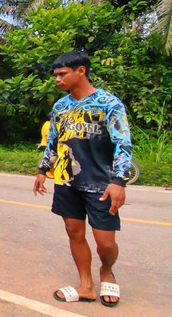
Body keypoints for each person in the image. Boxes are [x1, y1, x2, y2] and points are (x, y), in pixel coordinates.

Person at [33, 51, 131, 308]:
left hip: (101, 183)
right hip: (67, 181)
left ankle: (107, 271)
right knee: (74, 233)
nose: (57, 79)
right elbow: (53, 141)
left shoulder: (108, 103)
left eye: (62, 74)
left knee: (105, 242)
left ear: (81, 71)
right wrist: (43, 170)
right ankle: (86, 285)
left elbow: (123, 143)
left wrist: (119, 181)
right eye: (55, 75)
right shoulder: (60, 107)